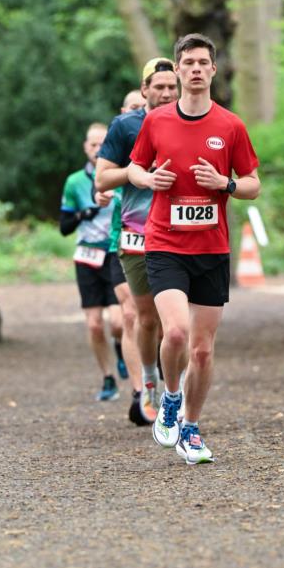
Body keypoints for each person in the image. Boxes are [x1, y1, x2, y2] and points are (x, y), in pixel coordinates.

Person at [128, 33, 260, 465]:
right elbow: (133, 167)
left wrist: (226, 184)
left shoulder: (231, 126)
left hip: (212, 249)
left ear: (214, 71)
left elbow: (254, 185)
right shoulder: (157, 122)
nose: (197, 69)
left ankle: (191, 427)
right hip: (165, 243)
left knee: (202, 350)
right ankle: (169, 396)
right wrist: (149, 180)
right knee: (177, 334)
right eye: (189, 63)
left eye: (204, 62)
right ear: (179, 70)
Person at [95, 58, 179, 424]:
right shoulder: (126, 126)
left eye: (171, 87)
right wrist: (134, 173)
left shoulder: (192, 122)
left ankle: (177, 396)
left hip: (181, 235)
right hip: (137, 234)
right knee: (146, 320)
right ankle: (148, 380)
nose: (165, 93)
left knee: (177, 324)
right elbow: (101, 179)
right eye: (158, 87)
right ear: (144, 89)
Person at [60, 122, 128, 402]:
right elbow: (64, 225)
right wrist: (83, 214)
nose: (97, 149)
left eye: (102, 144)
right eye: (92, 144)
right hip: (87, 257)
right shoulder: (75, 182)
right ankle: (108, 378)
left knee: (118, 323)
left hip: (114, 253)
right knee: (93, 325)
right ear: (85, 147)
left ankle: (123, 348)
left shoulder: (121, 175)